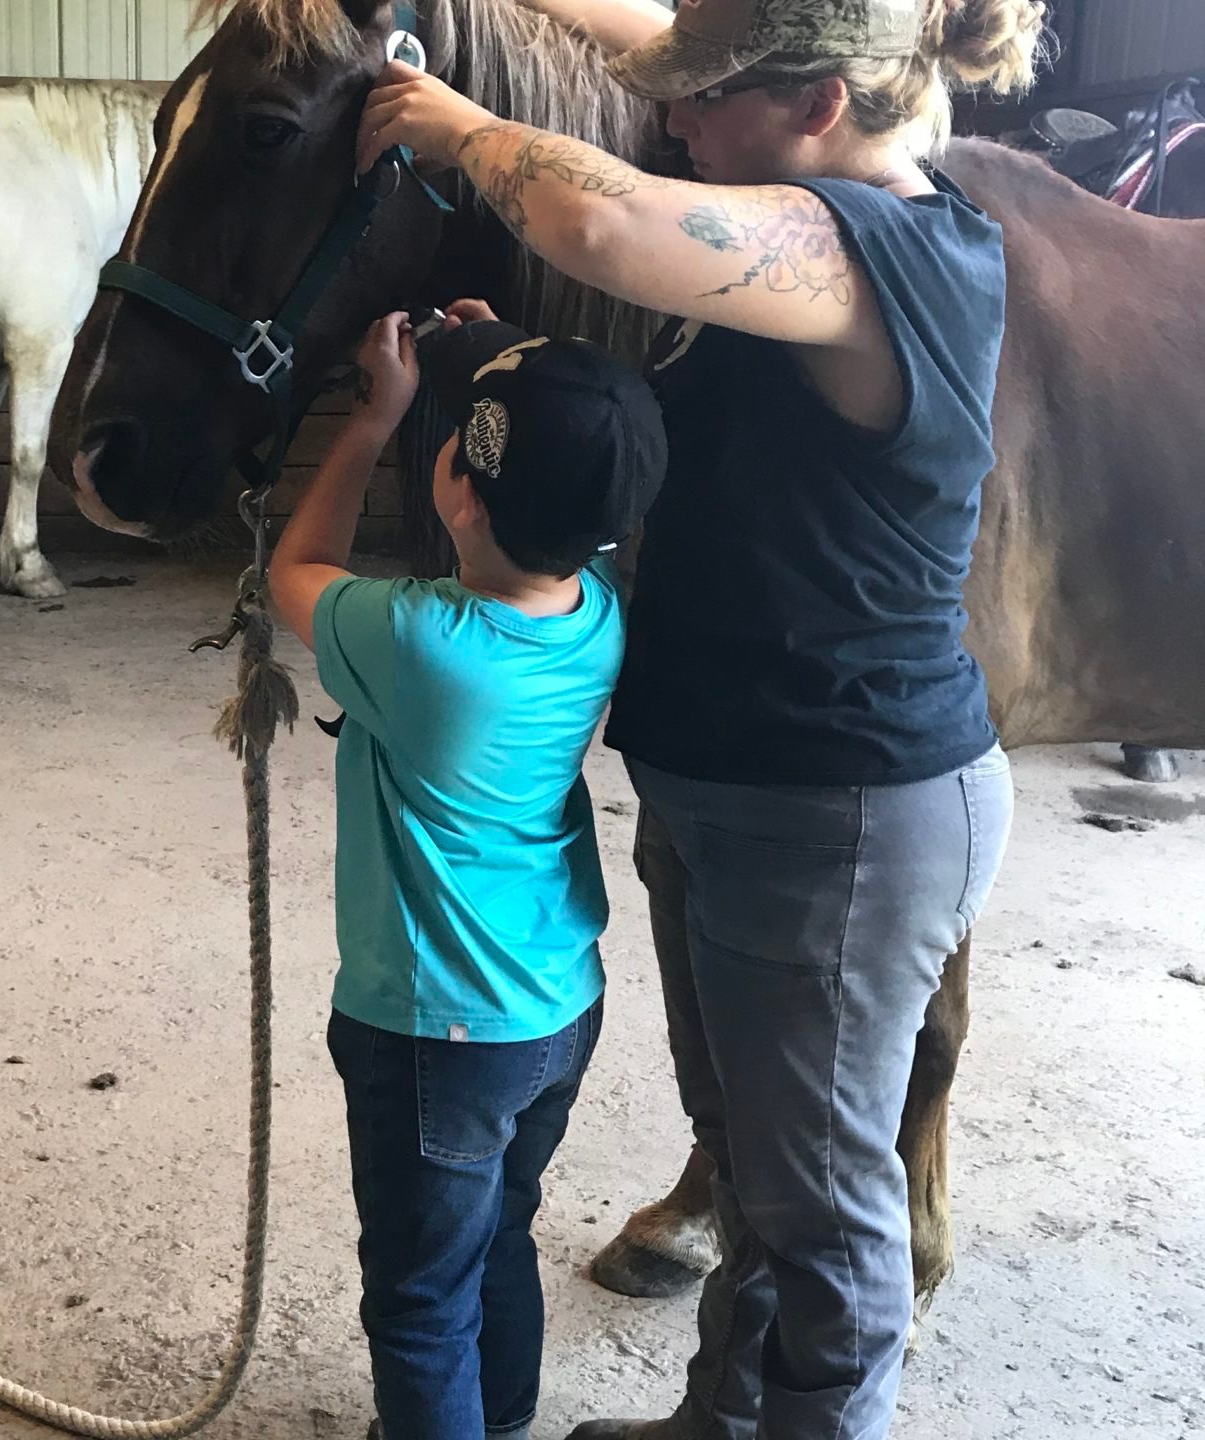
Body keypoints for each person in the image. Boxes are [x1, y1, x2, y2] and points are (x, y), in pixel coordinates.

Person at [360, 0, 1044, 1436]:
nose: (672, 126)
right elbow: (665, 37)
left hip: (837, 813)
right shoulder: (815, 229)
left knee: (825, 1214)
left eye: (706, 105)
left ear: (820, 106)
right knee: (748, 1157)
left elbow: (601, 226)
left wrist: (460, 126)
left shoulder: (879, 251)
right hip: (751, 791)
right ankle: (719, 1424)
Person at [267, 310, 668, 1440]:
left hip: (434, 1035)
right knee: (502, 1229)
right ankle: (503, 1420)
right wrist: (510, 365)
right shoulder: (598, 612)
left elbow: (297, 566)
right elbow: (570, 455)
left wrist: (373, 416)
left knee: (415, 1301)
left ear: (462, 493)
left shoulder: (415, 640)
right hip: (556, 1010)